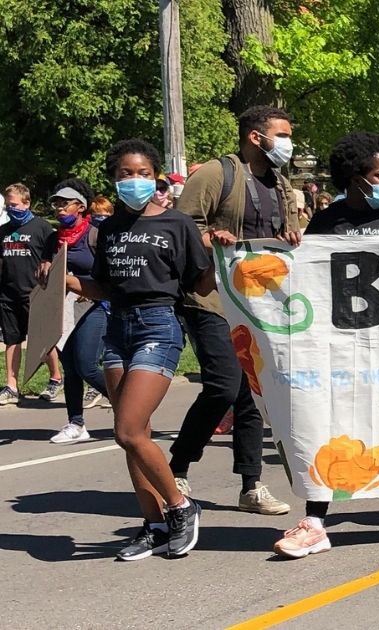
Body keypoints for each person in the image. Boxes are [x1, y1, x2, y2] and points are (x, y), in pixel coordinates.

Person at [274, 133, 379, 557]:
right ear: (356, 179)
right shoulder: (328, 221)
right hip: (344, 343)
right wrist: (293, 248)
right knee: (333, 427)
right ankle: (315, 521)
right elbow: (306, 275)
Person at [64, 138, 212, 560]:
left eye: (143, 173)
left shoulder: (177, 224)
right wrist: (68, 281)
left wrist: (215, 255)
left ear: (156, 176)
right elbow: (104, 287)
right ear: (113, 180)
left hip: (158, 326)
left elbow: (201, 283)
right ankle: (154, 524)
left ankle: (182, 507)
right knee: (135, 438)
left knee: (127, 428)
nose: (135, 181)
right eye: (126, 174)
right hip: (118, 328)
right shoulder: (107, 229)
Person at [173, 105, 298, 516]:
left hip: (259, 302)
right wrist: (211, 237)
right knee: (224, 386)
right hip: (212, 298)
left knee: (251, 396)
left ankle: (251, 485)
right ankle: (176, 468)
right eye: (281, 134)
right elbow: (179, 225)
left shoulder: (280, 183)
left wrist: (293, 235)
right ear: (255, 137)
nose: (287, 142)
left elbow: (287, 233)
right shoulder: (216, 174)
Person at [47, 179, 110, 444]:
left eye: (65, 203)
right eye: (56, 204)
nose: (59, 208)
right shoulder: (54, 238)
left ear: (80, 207)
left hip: (94, 305)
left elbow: (108, 272)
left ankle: (127, 405)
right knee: (71, 368)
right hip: (64, 308)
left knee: (86, 364)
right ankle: (76, 423)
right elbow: (47, 267)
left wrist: (87, 286)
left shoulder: (95, 234)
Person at [0, 183, 57, 406]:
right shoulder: (3, 231)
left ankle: (55, 378)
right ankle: (11, 385)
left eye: (13, 204)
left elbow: (52, 261)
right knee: (12, 340)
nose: (9, 208)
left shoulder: (42, 228)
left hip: (35, 293)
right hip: (8, 295)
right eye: (7, 205)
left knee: (41, 340)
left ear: (27, 203)